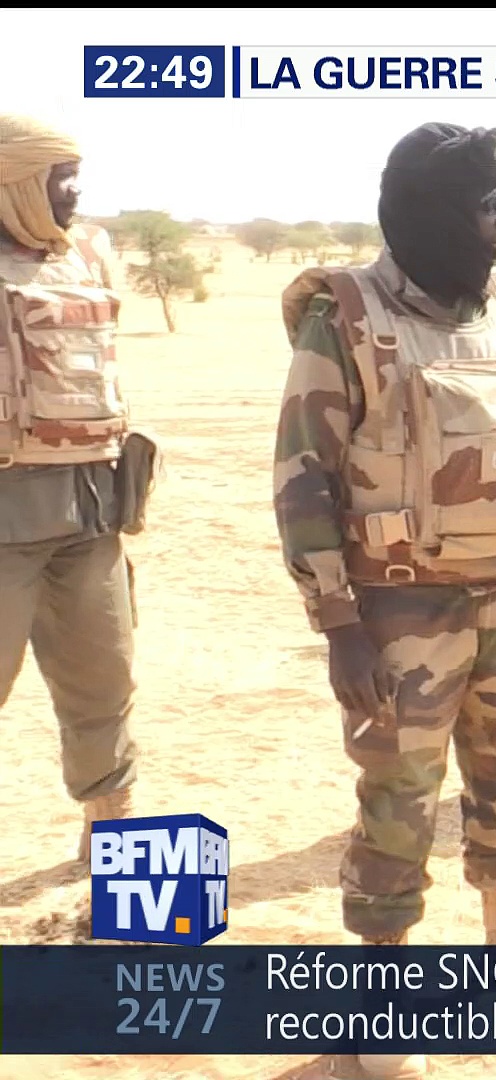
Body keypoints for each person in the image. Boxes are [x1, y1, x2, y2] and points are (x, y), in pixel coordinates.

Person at [273, 124, 496, 1080]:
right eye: (485, 207)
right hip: (396, 611)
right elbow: (302, 478)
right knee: (398, 804)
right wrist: (338, 623)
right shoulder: (345, 315)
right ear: (431, 213)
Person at [0, 114, 144, 863]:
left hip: (91, 510)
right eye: (60, 178)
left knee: (104, 680)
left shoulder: (89, 254)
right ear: (15, 183)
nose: (76, 191)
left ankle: (109, 831)